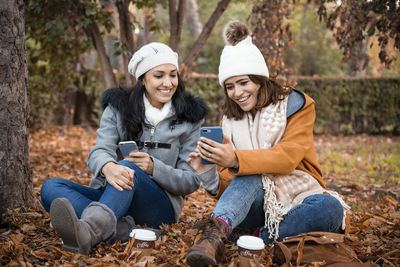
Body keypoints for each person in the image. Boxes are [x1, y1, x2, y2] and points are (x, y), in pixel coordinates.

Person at [185, 21, 349, 266]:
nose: (237, 93)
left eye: (243, 82)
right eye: (229, 86)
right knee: (250, 177)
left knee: (330, 208)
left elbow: (287, 158)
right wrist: (208, 174)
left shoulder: (297, 105)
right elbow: (231, 193)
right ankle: (213, 237)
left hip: (299, 199)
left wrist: (236, 159)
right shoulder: (229, 121)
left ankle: (251, 239)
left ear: (259, 79)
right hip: (256, 205)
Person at [40, 42, 208, 255]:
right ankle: (123, 230)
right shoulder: (118, 108)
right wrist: (108, 167)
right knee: (51, 188)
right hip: (111, 198)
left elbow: (191, 180)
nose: (168, 83)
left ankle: (90, 230)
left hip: (158, 207)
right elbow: (98, 151)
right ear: (143, 79)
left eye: (173, 75)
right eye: (159, 76)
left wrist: (153, 167)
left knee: (131, 167)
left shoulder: (190, 118)